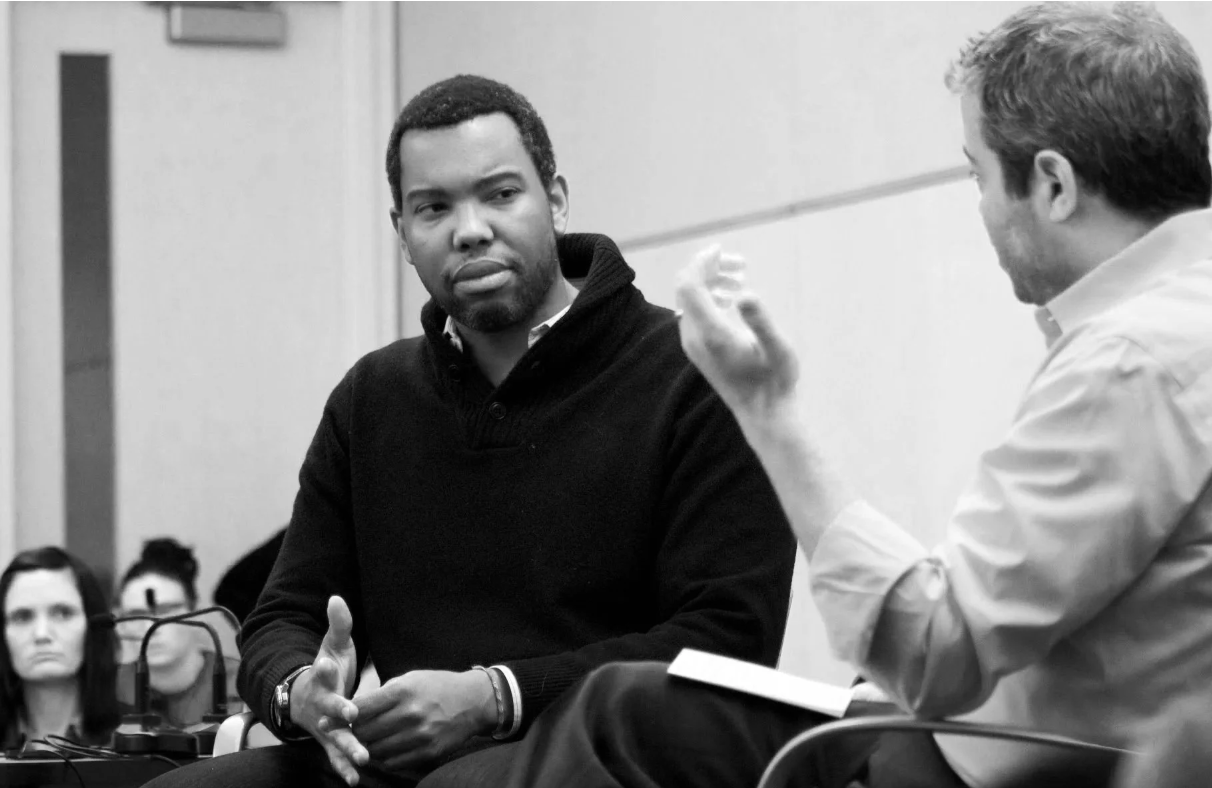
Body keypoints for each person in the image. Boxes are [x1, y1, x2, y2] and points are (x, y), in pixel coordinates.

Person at [502, 4, 1212, 788]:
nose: (980, 205)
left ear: (1053, 184)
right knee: (634, 705)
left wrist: (767, 412)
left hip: (972, 765)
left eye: (977, 174)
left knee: (619, 716)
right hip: (1003, 735)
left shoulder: (1131, 363)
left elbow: (934, 649)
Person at [143, 74, 794, 788]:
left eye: (501, 194)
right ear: (402, 233)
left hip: (604, 758)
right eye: (434, 207)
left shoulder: (694, 372)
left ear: (557, 199)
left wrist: (495, 697)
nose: (471, 228)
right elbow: (281, 617)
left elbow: (729, 639)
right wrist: (302, 691)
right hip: (401, 763)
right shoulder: (372, 398)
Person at [0, 547, 121, 752]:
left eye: (62, 613)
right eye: (23, 617)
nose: (41, 634)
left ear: (93, 625)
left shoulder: (133, 738)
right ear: (1, 634)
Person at [115, 538, 243, 727]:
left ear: (195, 612)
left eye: (165, 611)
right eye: (136, 614)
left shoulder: (241, 684)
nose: (150, 627)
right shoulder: (105, 689)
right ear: (121, 623)